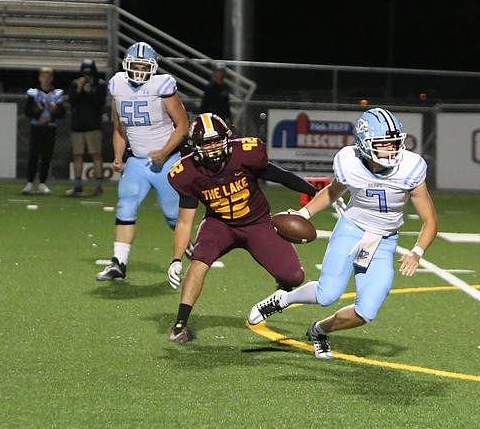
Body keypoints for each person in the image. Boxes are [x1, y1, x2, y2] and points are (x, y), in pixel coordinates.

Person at [246, 108, 438, 360]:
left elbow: (430, 220)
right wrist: (304, 214)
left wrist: (417, 251)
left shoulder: (410, 167)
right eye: (383, 144)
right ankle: (284, 298)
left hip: (384, 240)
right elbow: (331, 192)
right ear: (364, 145)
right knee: (327, 294)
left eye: (394, 143)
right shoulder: (350, 161)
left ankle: (319, 330)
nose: (391, 149)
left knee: (366, 311)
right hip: (352, 229)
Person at [165, 113, 318, 343]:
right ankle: (180, 324)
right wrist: (176, 258)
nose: (213, 148)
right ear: (195, 147)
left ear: (227, 138)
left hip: (257, 222)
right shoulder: (186, 173)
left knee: (294, 277)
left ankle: (281, 287)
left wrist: (316, 193)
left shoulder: (246, 153)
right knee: (199, 262)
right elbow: (185, 221)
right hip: (219, 225)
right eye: (206, 144)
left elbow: (280, 175)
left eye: (217, 141)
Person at [96, 41, 189, 281]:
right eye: (134, 65)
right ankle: (119, 263)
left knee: (172, 215)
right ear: (126, 65)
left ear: (153, 67)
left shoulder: (163, 87)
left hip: (166, 161)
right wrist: (118, 155)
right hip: (137, 161)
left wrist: (165, 150)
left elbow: (183, 125)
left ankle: (189, 246)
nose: (138, 70)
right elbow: (119, 127)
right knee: (125, 206)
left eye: (143, 65)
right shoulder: (118, 86)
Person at [66, 59, 108, 197]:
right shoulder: (75, 84)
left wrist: (90, 93)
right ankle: (77, 186)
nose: (87, 76)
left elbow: (99, 103)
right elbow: (72, 102)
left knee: (96, 154)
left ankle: (98, 186)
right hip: (78, 125)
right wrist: (78, 90)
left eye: (89, 73)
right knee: (77, 155)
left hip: (93, 125)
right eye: (85, 73)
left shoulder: (100, 85)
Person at [21, 66, 65, 195]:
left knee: (46, 156)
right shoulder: (33, 93)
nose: (46, 79)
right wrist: (38, 115)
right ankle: (29, 183)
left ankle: (42, 183)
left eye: (48, 77)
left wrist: (53, 113)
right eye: (43, 77)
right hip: (36, 126)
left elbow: (63, 113)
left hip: (50, 127)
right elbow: (27, 110)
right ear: (40, 78)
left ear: (51, 78)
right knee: (33, 155)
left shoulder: (56, 94)